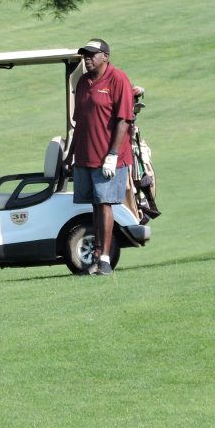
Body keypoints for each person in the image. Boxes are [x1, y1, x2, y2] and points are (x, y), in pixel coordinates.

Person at [67, 38, 134, 275]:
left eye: (92, 54)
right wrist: (70, 155)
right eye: (85, 55)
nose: (87, 59)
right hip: (86, 155)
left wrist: (112, 154)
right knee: (95, 206)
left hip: (108, 157)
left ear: (105, 56)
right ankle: (96, 256)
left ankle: (105, 259)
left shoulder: (118, 79)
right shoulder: (83, 82)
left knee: (105, 204)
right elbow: (79, 122)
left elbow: (124, 120)